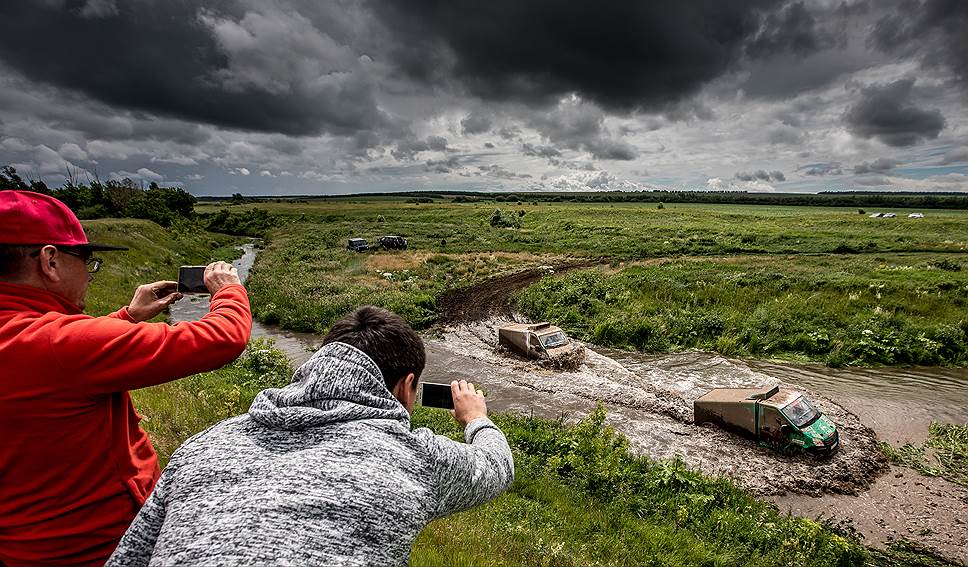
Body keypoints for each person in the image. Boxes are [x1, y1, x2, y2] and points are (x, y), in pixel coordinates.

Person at [107, 306, 514, 566]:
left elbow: (132, 554)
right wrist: (475, 418)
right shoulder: (412, 455)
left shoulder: (206, 443)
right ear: (406, 387)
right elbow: (496, 467)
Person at [0, 190, 253, 566]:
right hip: (102, 548)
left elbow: (64, 359)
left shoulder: (33, 339)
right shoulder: (60, 344)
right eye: (86, 259)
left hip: (25, 545)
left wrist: (128, 317)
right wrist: (230, 290)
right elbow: (220, 340)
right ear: (49, 260)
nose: (88, 271)